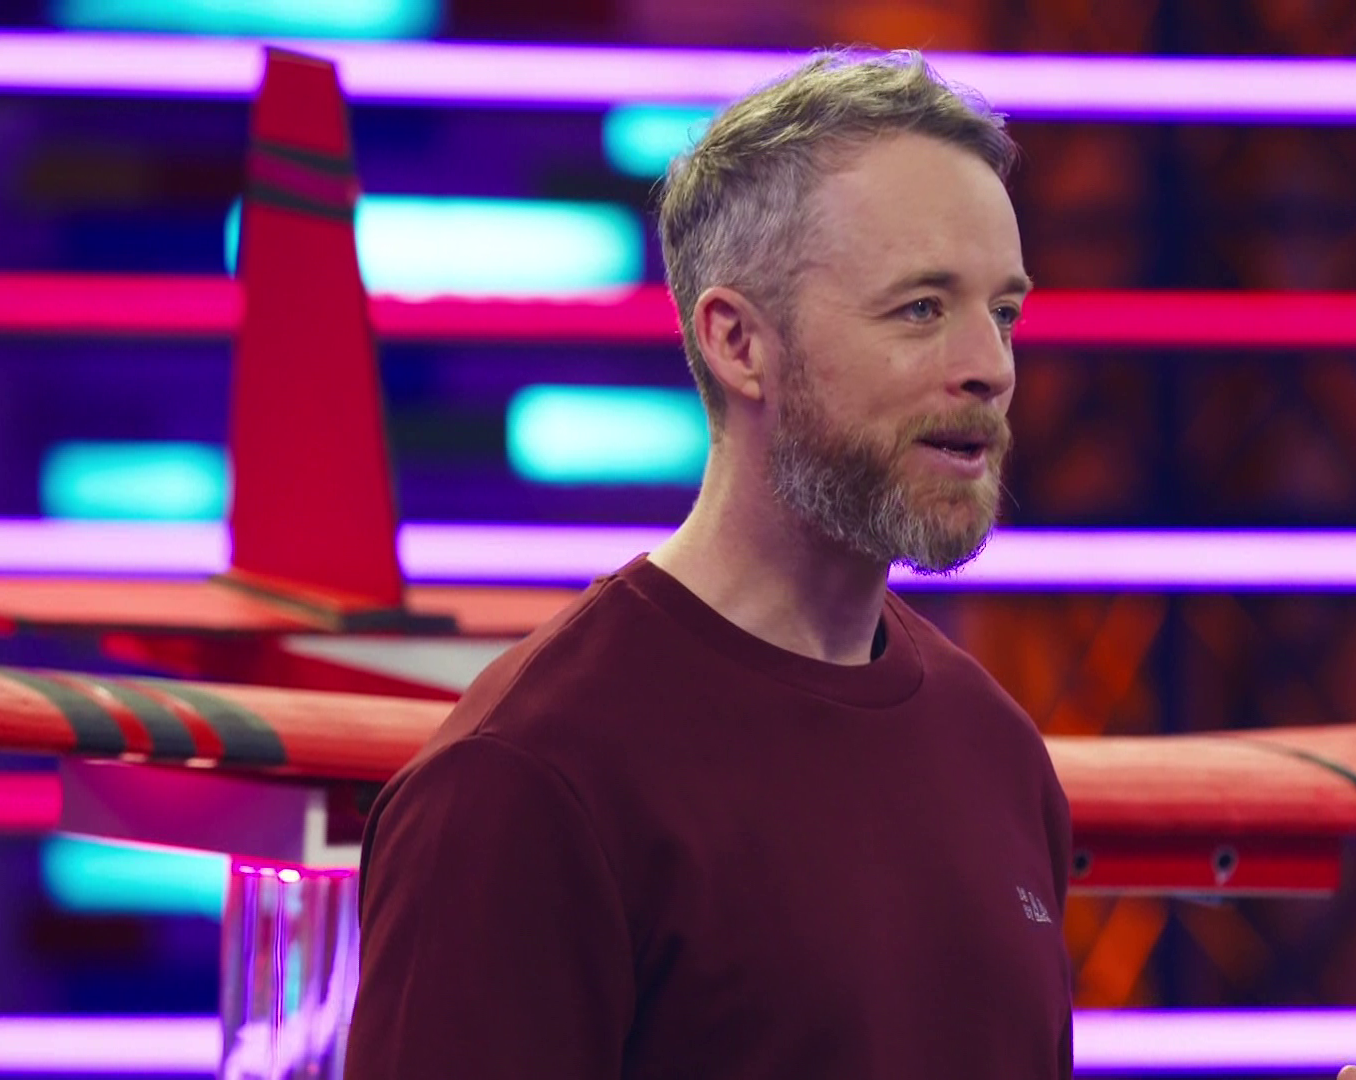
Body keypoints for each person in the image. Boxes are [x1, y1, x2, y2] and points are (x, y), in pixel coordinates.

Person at [342, 50, 1072, 1078]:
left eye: (1003, 312)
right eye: (921, 308)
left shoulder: (998, 753)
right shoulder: (528, 778)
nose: (989, 367)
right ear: (737, 343)